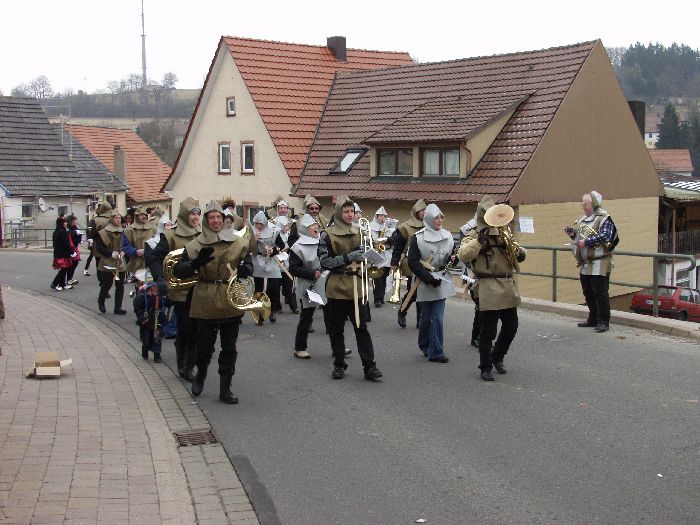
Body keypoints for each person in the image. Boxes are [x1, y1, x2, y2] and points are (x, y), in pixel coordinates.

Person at [173, 200, 254, 404]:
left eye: (219, 217)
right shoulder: (195, 244)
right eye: (212, 218)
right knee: (205, 346)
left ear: (224, 220)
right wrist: (195, 264)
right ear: (206, 221)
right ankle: (200, 375)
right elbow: (178, 270)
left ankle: (225, 388)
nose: (216, 221)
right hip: (206, 296)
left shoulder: (237, 241)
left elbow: (248, 262)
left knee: (229, 347)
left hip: (229, 296)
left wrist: (246, 270)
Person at [458, 196, 526, 381]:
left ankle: (498, 356)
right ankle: (485, 366)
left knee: (512, 325)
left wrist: (519, 252)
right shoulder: (473, 233)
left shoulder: (504, 231)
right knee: (488, 330)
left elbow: (519, 254)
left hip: (506, 283)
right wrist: (479, 241)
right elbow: (463, 254)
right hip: (486, 284)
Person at [319, 196, 382, 381]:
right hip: (337, 287)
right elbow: (325, 262)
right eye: (346, 211)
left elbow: (368, 256)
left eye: (352, 211)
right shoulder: (327, 234)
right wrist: (348, 257)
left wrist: (372, 259)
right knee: (336, 330)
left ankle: (369, 366)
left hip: (357, 286)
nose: (350, 214)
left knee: (361, 329)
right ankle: (339, 364)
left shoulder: (361, 232)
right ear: (339, 213)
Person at [145, 198, 201, 381]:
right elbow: (154, 257)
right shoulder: (171, 235)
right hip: (180, 290)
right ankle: (183, 365)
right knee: (184, 328)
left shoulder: (202, 233)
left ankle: (191, 364)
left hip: (199, 289)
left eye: (197, 213)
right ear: (185, 215)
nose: (196, 217)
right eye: (192, 213)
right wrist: (160, 278)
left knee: (196, 329)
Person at [408, 203, 456, 363]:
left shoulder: (448, 236)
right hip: (425, 280)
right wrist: (429, 279)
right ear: (429, 218)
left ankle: (436, 352)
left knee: (437, 317)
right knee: (426, 317)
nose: (439, 220)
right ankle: (425, 345)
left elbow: (450, 258)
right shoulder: (417, 238)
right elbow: (413, 262)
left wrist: (454, 259)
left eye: (441, 217)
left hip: (441, 279)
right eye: (436, 217)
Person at [565, 191, 618, 333]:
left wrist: (587, 242)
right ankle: (593, 318)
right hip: (586, 263)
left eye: (585, 204)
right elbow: (581, 237)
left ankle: (603, 321)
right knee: (587, 292)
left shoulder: (604, 218)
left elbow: (606, 236)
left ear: (594, 204)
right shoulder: (583, 219)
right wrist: (573, 234)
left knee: (600, 293)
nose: (583, 206)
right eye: (582, 203)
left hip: (600, 262)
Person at [289, 214, 327, 359]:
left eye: (316, 225)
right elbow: (293, 268)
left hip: (324, 282)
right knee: (306, 316)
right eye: (312, 226)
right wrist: (311, 273)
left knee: (331, 316)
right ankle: (299, 348)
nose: (315, 227)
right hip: (308, 284)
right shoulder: (297, 247)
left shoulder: (322, 241)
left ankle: (338, 346)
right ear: (305, 229)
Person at [391, 199, 427, 328]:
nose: (423, 212)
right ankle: (402, 310)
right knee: (414, 291)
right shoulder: (405, 227)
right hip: (410, 262)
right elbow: (398, 246)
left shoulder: (430, 225)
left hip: (427, 262)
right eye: (421, 210)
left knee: (423, 291)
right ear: (415, 212)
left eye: (425, 210)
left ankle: (420, 320)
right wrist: (394, 261)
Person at [251, 210, 285, 324]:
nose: (258, 226)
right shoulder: (252, 231)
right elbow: (249, 249)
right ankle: (259, 314)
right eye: (256, 224)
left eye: (260, 224)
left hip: (271, 260)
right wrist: (254, 241)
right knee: (259, 289)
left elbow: (281, 245)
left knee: (274, 288)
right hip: (259, 260)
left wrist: (274, 250)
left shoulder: (274, 231)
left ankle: (272, 310)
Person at [95, 209, 127, 315]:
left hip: (120, 262)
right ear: (111, 219)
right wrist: (110, 252)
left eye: (119, 218)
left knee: (120, 285)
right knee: (107, 284)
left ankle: (118, 307)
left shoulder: (124, 231)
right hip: (107, 261)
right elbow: (99, 247)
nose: (118, 220)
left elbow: (126, 245)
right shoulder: (104, 232)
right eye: (116, 218)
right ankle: (101, 301)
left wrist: (123, 252)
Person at [133, 281, 170, 362]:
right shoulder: (142, 297)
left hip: (158, 320)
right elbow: (137, 308)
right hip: (146, 321)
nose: (155, 291)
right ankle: (145, 349)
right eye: (153, 289)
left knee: (157, 338)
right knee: (146, 338)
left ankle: (157, 354)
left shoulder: (161, 298)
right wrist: (141, 316)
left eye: (156, 289)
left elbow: (167, 304)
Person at [272, 199, 298, 313]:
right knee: (276, 282)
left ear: (288, 209)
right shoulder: (273, 222)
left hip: (289, 252)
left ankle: (293, 306)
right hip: (278, 253)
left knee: (289, 280)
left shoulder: (292, 222)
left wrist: (288, 247)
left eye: (285, 208)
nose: (283, 210)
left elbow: (294, 238)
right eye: (280, 208)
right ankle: (277, 306)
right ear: (277, 209)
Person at [459, 213, 480, 348]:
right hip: (473, 274)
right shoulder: (469, 230)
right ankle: (476, 336)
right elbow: (463, 252)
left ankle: (481, 335)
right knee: (480, 306)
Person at [369, 206, 395, 308]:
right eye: (381, 216)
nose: (382, 218)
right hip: (377, 253)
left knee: (384, 277)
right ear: (377, 216)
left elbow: (395, 240)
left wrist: (388, 240)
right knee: (378, 278)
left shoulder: (389, 227)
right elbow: (369, 240)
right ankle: (377, 299)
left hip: (387, 254)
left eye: (384, 216)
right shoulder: (371, 226)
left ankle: (381, 297)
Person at [122, 205, 156, 280]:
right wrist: (135, 251)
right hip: (136, 263)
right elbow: (125, 246)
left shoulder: (153, 229)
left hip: (152, 263)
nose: (144, 216)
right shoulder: (129, 230)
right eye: (141, 215)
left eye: (145, 215)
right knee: (139, 287)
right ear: (136, 216)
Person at [86, 200, 113, 280]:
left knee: (99, 265)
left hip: (99, 247)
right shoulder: (114, 218)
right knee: (111, 264)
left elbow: (92, 234)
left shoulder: (96, 220)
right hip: (112, 246)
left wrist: (91, 245)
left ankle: (102, 281)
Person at [50, 217, 74, 291]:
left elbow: (55, 244)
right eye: (65, 222)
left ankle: (62, 285)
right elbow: (67, 244)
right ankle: (54, 283)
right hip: (64, 253)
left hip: (57, 253)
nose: (66, 223)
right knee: (64, 269)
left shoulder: (55, 232)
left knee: (63, 269)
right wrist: (71, 252)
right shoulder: (63, 232)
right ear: (61, 223)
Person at [65, 215, 83, 286]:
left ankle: (70, 278)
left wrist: (80, 238)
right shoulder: (69, 228)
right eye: (74, 220)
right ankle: (69, 279)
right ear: (71, 221)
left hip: (74, 246)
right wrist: (76, 233)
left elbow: (76, 237)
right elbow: (69, 235)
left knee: (74, 262)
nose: (76, 221)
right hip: (70, 247)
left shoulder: (74, 227)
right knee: (72, 263)